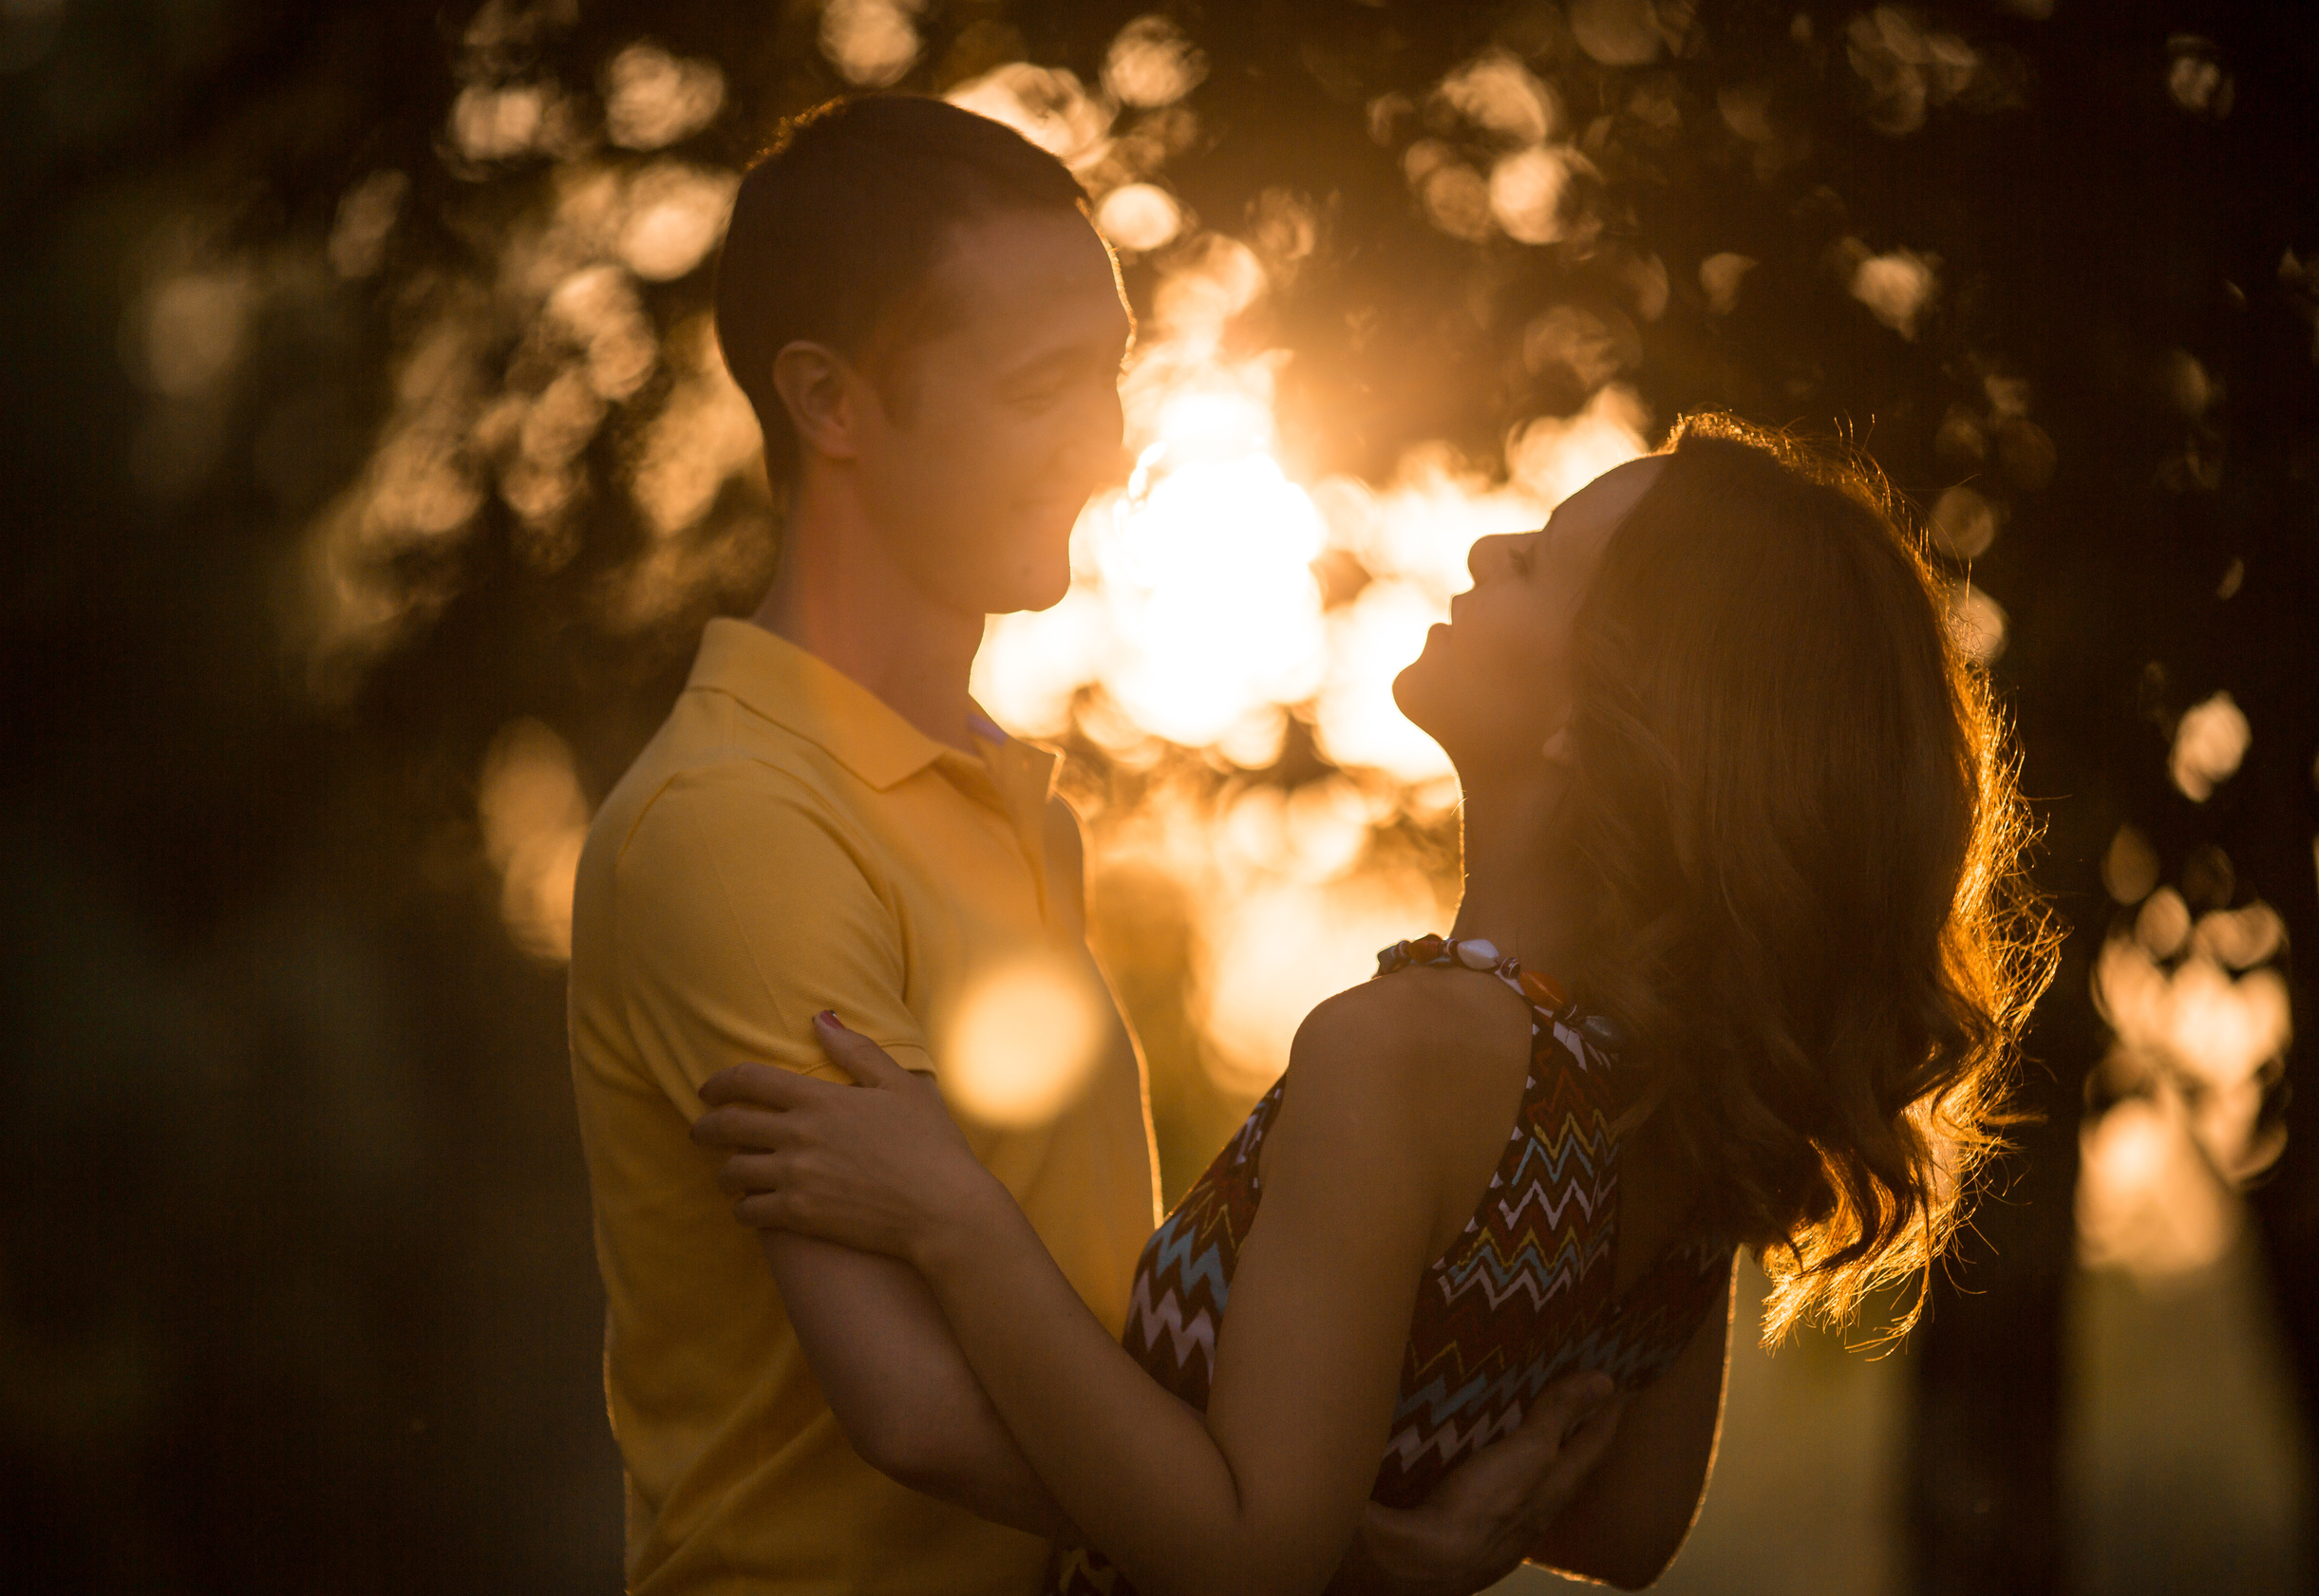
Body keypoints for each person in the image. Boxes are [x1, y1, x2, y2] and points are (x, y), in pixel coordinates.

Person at [692, 416, 2059, 1593]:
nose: (1478, 554)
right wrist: (1427, 1520)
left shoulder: (1402, 1052)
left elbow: (1247, 1556)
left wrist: (952, 1218)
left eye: (1530, 565)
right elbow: (1630, 1528)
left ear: (1597, 717)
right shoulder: (1683, 1093)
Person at [569, 93, 1620, 1596]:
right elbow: (917, 1408)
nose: (1105, 446)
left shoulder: (1005, 800)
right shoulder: (741, 824)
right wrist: (1346, 1547)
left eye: (1110, 379)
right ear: (833, 402)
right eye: (1042, 388)